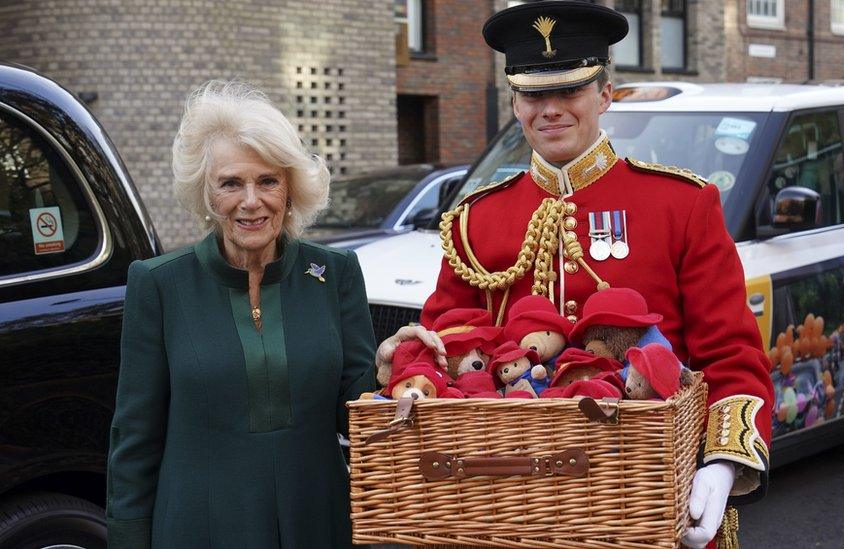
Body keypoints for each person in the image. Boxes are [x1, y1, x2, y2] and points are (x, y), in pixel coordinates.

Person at [376, 2, 773, 547]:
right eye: (535, 94)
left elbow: (732, 354)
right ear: (515, 103)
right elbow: (446, 343)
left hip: (645, 485)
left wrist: (723, 464)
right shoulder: (475, 218)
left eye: (571, 91)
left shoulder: (681, 203)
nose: (551, 110)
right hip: (507, 496)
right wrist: (406, 364)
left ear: (606, 95)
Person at [106, 81, 375, 547]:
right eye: (231, 183)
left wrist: (395, 370)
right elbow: (135, 439)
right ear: (207, 196)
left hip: (316, 521)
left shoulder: (334, 273)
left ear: (290, 190)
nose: (251, 200)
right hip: (198, 527)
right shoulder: (159, 284)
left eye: (267, 181)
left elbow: (358, 409)